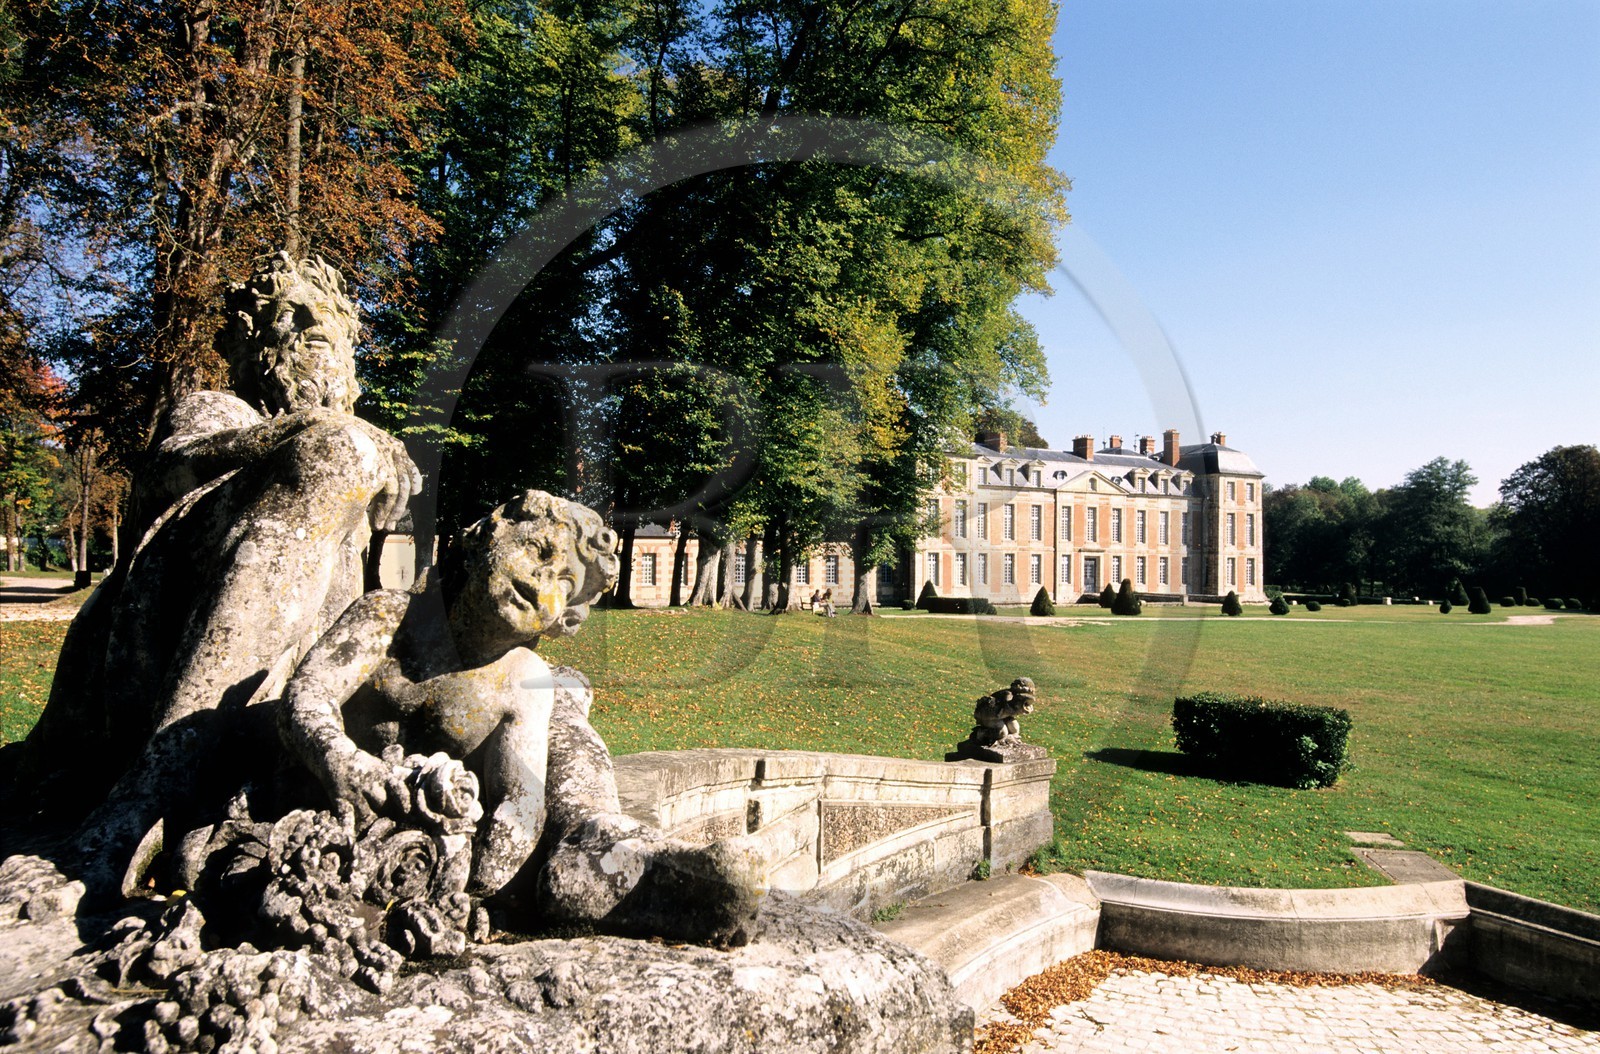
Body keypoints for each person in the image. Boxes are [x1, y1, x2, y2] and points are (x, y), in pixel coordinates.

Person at [18, 252, 421, 895]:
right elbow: (165, 474)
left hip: (276, 694)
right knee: (339, 451)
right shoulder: (219, 410)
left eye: (330, 343)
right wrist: (315, 430)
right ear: (256, 350)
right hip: (159, 661)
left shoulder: (356, 457)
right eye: (301, 338)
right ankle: (158, 783)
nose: (322, 361)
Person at [278, 490, 766, 944]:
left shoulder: (522, 678)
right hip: (310, 818)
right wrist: (337, 758)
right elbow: (306, 694)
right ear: (481, 544)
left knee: (570, 741)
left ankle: (659, 872)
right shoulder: (388, 616)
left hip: (432, 847)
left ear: (564, 620)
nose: (540, 583)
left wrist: (465, 881)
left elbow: (521, 807)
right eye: (537, 551)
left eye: (565, 584)